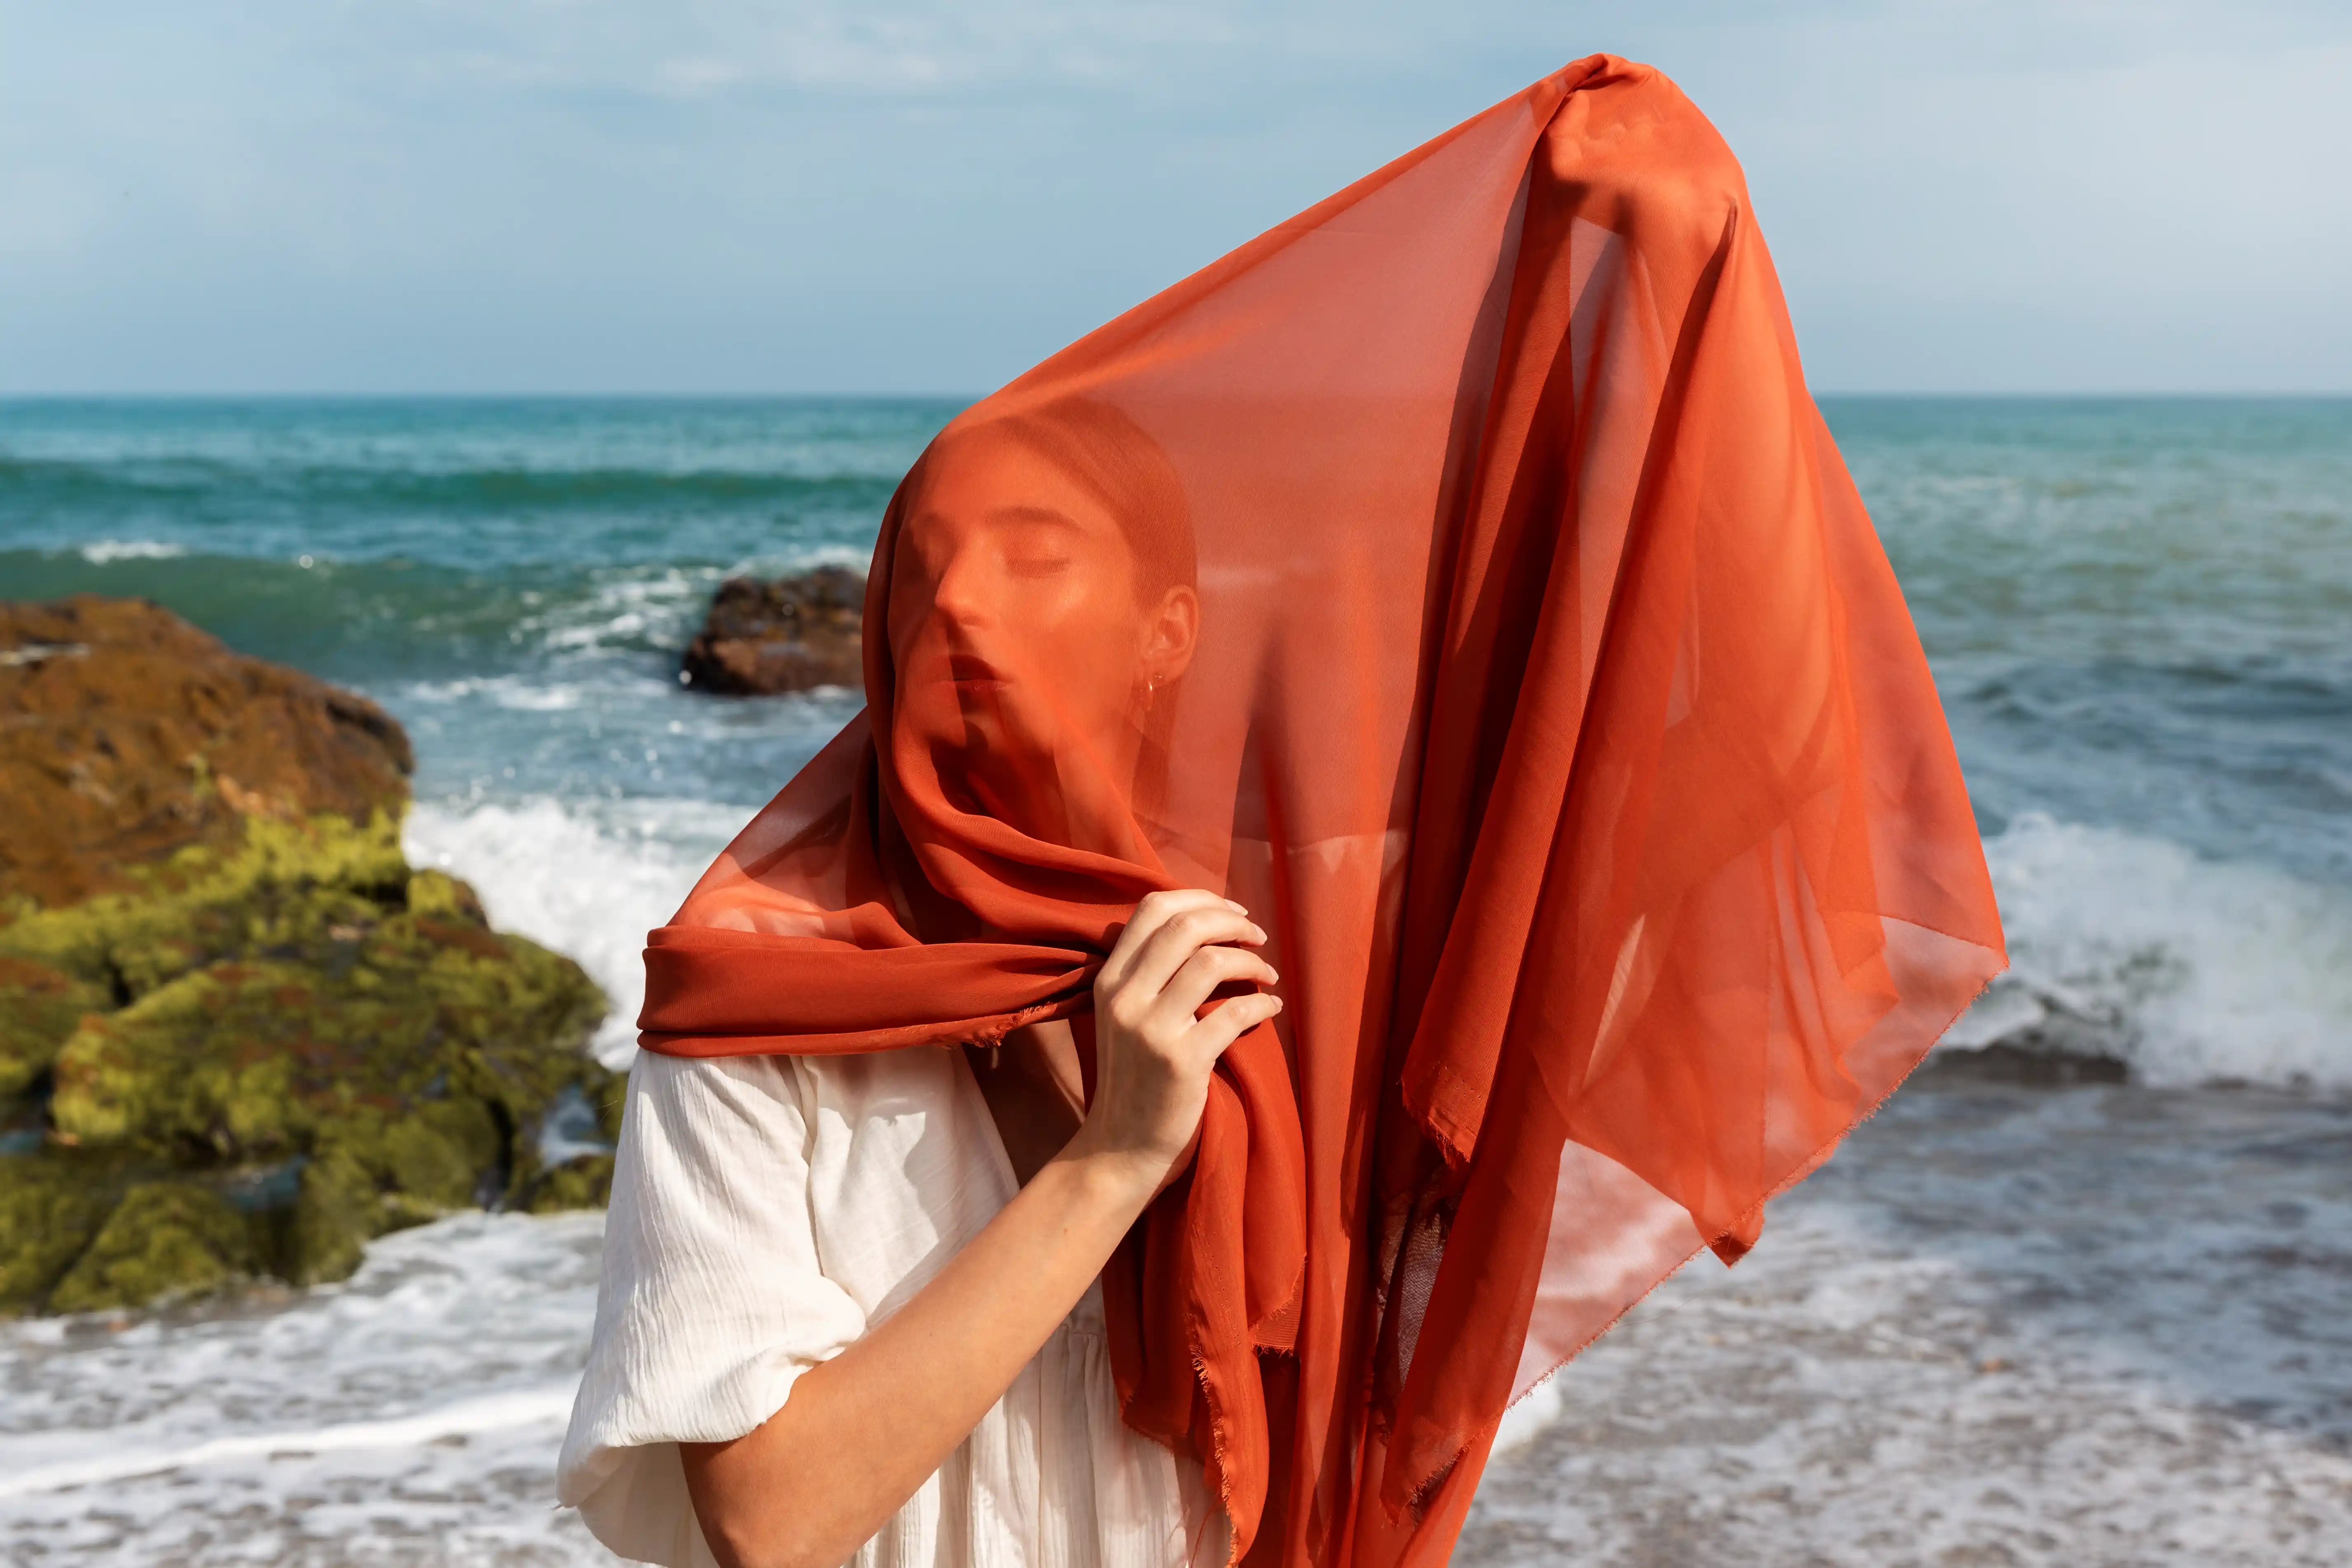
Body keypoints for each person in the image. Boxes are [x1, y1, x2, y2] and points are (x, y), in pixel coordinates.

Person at [560, 54, 2006, 1568]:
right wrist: (1115, 1154)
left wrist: (1673, 272)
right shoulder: (765, 985)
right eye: (923, 570)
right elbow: (765, 1520)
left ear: (1168, 630)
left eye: (1036, 557)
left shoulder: (1294, 935)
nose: (964, 606)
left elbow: (1760, 745)